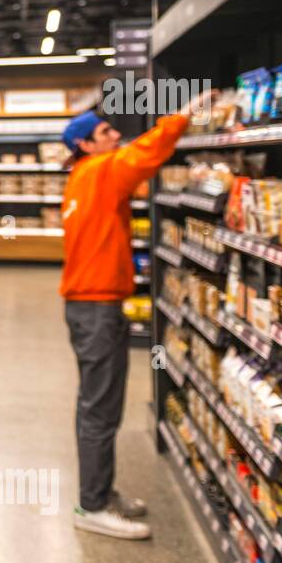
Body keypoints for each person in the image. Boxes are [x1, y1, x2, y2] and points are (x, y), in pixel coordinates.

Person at [59, 94, 212, 540]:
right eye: (106, 133)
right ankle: (90, 505)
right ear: (86, 144)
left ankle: (101, 493)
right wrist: (184, 114)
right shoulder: (101, 171)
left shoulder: (84, 176)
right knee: (99, 409)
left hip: (92, 305)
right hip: (95, 308)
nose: (116, 136)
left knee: (101, 405)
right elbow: (143, 153)